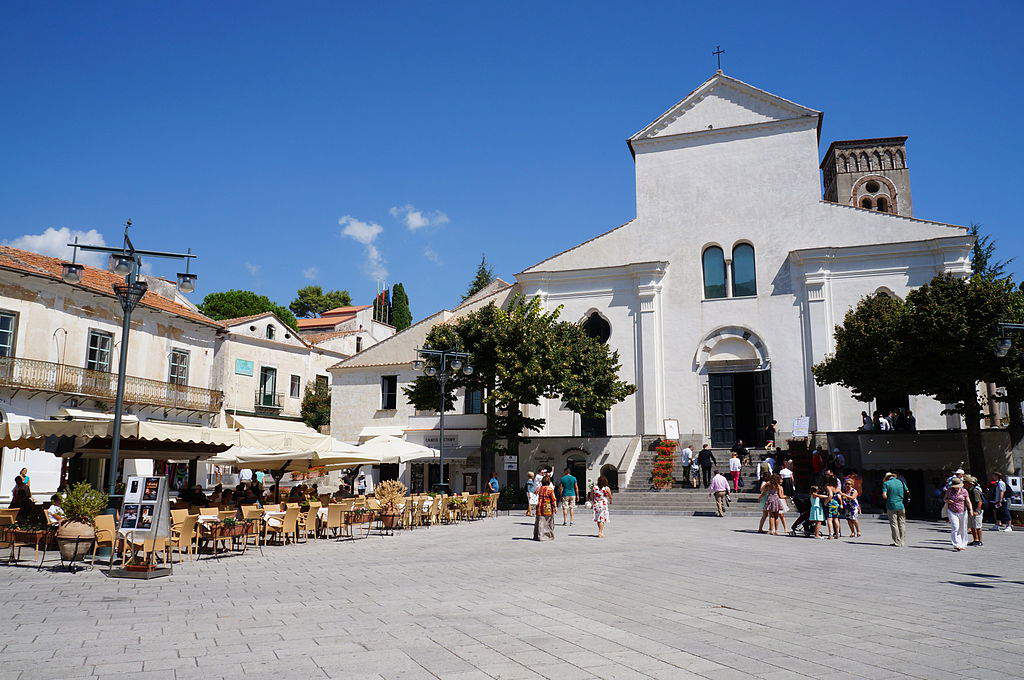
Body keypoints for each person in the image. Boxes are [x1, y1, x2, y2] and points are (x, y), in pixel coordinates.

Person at [944, 478, 972, 551]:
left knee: (963, 528)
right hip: (952, 511)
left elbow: (968, 501)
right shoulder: (949, 490)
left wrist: (971, 510)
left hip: (963, 511)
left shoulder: (964, 491)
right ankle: (956, 544)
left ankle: (963, 543)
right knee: (955, 527)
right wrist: (948, 500)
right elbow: (945, 499)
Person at [882, 472, 908, 546]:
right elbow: (907, 491)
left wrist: (889, 497)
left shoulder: (886, 483)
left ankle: (897, 542)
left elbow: (884, 495)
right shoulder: (901, 482)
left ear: (887, 478)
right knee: (902, 523)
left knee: (894, 524)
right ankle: (902, 541)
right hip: (901, 505)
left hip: (891, 505)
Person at [533, 475, 556, 541]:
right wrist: (555, 507)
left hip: (539, 507)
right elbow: (553, 499)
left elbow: (535, 493)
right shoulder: (550, 489)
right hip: (547, 507)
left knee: (539, 521)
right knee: (548, 522)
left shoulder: (539, 488)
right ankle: (546, 536)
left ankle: (537, 536)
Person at [965, 475, 984, 547]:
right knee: (972, 525)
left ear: (970, 483)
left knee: (978, 526)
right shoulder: (969, 490)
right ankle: (975, 540)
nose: (964, 484)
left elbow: (979, 501)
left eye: (965, 482)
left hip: (976, 510)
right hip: (971, 510)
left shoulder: (975, 490)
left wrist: (977, 511)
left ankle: (980, 541)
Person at [824, 475, 842, 539]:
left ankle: (830, 534)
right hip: (836, 504)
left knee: (829, 519)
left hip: (830, 504)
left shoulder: (828, 487)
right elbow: (840, 494)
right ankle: (837, 533)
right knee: (836, 519)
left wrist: (826, 502)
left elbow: (830, 495)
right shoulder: (837, 488)